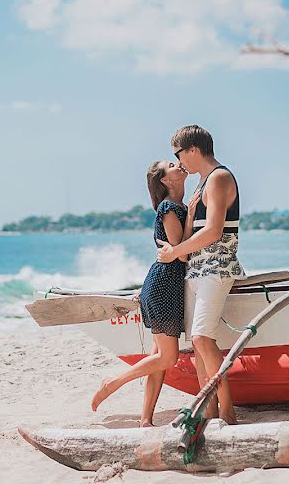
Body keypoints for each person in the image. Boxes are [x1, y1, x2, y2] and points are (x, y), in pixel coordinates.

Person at [91, 159, 194, 427]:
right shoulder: (170, 208)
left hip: (167, 286)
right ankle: (113, 381)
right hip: (164, 287)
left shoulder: (180, 206)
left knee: (159, 357)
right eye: (172, 164)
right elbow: (180, 254)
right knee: (167, 358)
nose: (179, 164)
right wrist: (193, 217)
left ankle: (145, 419)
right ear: (165, 180)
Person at [156, 125, 244, 424]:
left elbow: (215, 231)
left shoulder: (219, 177)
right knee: (198, 343)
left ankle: (228, 412)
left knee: (202, 339)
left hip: (215, 268)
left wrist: (174, 252)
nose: (179, 162)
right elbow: (197, 230)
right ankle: (208, 410)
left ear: (192, 149)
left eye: (179, 154)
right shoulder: (202, 183)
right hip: (197, 269)